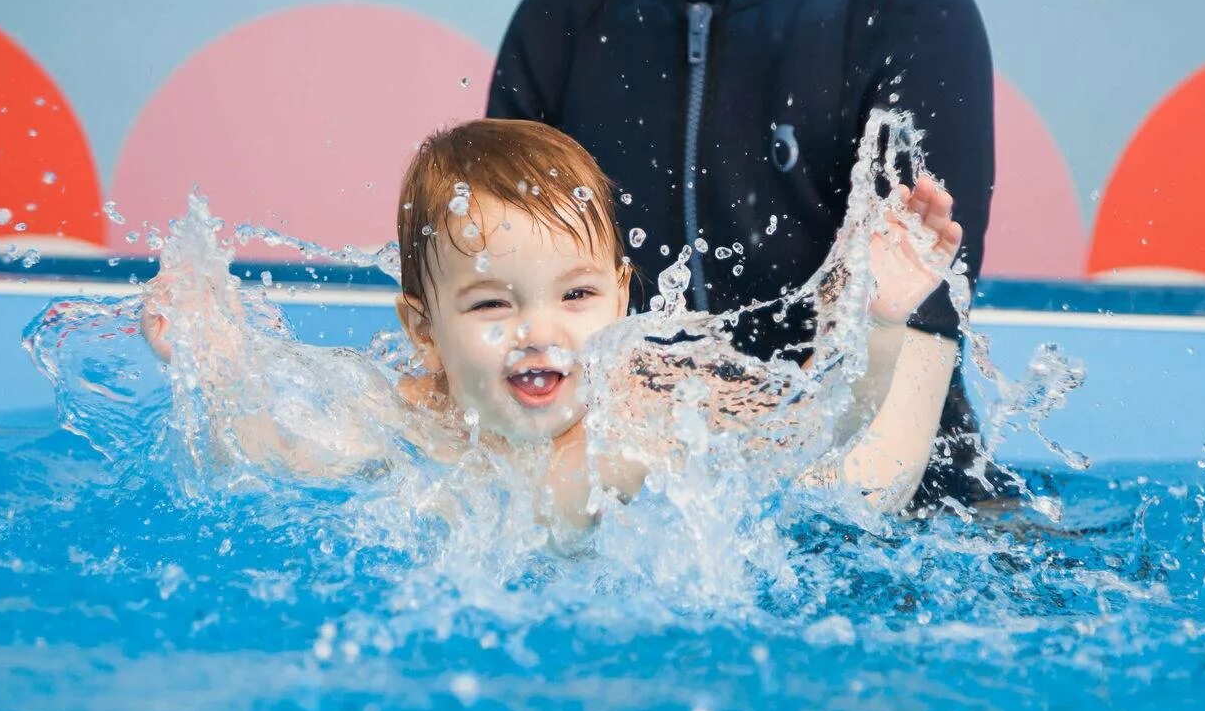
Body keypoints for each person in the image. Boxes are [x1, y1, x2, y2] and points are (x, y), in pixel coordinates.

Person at [488, 0, 1001, 506]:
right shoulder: (557, 27)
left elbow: (886, 463)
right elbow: (494, 374)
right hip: (636, 529)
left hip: (911, 540)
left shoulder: (904, 11)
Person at [143, 119, 967, 532]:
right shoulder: (401, 418)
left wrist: (878, 324)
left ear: (619, 297)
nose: (539, 333)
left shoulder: (646, 425)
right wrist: (213, 369)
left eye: (575, 298)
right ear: (422, 327)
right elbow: (272, 456)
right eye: (493, 304)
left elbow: (818, 433)